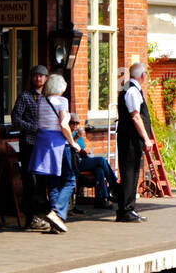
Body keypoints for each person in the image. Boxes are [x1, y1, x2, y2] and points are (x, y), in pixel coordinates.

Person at [27, 74, 82, 232]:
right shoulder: (62, 101)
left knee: (53, 184)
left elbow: (39, 123)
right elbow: (64, 124)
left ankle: (54, 223)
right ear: (60, 87)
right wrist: (73, 143)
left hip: (43, 144)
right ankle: (57, 213)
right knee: (70, 179)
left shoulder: (41, 101)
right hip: (59, 144)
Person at [11, 65, 50, 230]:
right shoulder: (25, 97)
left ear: (46, 79)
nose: (38, 79)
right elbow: (15, 119)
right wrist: (31, 127)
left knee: (43, 182)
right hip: (29, 143)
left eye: (42, 76)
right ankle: (30, 217)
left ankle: (43, 215)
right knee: (29, 181)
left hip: (44, 145)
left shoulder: (48, 98)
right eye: (35, 76)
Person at [116, 62, 155, 221]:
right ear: (142, 76)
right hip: (130, 138)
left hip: (129, 137)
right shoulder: (132, 91)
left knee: (131, 172)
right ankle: (126, 210)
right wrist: (146, 138)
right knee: (129, 172)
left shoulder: (127, 88)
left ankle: (128, 208)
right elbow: (136, 116)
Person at [69, 114, 118, 208]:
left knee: (99, 169)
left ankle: (101, 200)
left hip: (82, 159)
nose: (75, 125)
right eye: (72, 123)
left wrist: (86, 151)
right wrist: (76, 138)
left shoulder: (77, 133)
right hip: (74, 162)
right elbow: (70, 146)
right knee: (101, 160)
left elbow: (82, 148)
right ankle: (114, 184)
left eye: (77, 123)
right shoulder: (68, 133)